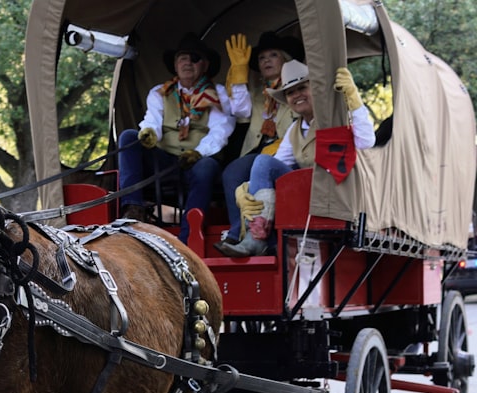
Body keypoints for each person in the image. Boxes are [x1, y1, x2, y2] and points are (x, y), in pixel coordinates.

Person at [219, 59, 376, 257]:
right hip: (305, 197)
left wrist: (354, 102)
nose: (297, 95)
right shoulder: (294, 129)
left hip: (336, 195)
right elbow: (275, 165)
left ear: (315, 90)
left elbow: (367, 143)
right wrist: (246, 189)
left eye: (302, 88)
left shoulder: (337, 116)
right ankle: (256, 238)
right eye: (291, 92)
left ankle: (262, 241)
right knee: (263, 161)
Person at [117, 32, 237, 242]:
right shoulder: (160, 92)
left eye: (194, 58)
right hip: (166, 162)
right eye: (182, 58)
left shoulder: (216, 94)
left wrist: (197, 153)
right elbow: (152, 120)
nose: (187, 63)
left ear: (206, 65)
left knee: (207, 167)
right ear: (174, 64)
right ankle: (133, 209)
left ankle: (188, 236)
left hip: (198, 161)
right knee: (129, 137)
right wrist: (149, 133)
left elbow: (221, 131)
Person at [215, 31, 304, 254]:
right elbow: (241, 111)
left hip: (287, 152)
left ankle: (262, 236)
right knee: (232, 172)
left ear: (285, 60)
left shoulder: (297, 88)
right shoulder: (257, 91)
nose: (266, 60)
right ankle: (238, 232)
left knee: (262, 165)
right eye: (262, 57)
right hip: (258, 150)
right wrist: (238, 74)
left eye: (273, 55)